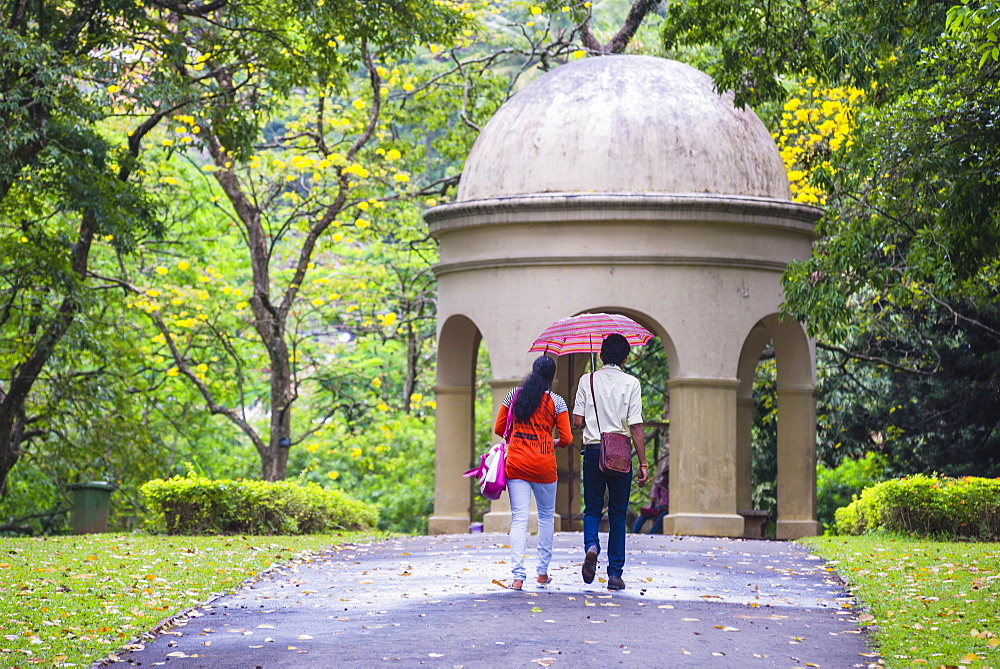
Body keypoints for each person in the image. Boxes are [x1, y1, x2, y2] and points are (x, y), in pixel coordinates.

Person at [572, 333, 647, 590]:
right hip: (620, 453)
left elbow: (578, 421)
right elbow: (636, 426)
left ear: (601, 355)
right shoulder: (632, 383)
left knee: (593, 508)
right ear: (625, 358)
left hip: (593, 451)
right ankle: (615, 575)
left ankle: (592, 545)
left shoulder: (587, 380)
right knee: (617, 513)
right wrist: (644, 464)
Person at [495, 355, 573, 590]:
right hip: (544, 466)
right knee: (546, 517)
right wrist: (552, 442)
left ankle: (518, 577)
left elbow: (500, 428)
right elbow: (568, 439)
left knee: (519, 518)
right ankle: (541, 572)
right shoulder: (557, 402)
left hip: (517, 463)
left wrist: (518, 438)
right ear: (553, 376)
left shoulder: (514, 396)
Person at [632, 469, 668, 534]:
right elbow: (654, 498)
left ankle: (652, 533)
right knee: (643, 516)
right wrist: (652, 510)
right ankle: (634, 532)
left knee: (661, 517)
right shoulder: (659, 485)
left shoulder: (672, 486)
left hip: (668, 508)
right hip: (660, 506)